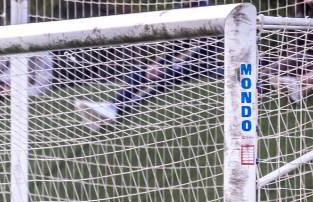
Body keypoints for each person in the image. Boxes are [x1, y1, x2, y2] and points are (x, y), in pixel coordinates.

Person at [74, 0, 219, 131]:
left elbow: (204, 47)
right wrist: (157, 64)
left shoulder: (209, 11)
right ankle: (110, 106)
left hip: (209, 63)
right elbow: (178, 45)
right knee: (142, 71)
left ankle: (117, 108)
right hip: (191, 60)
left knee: (165, 76)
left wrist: (169, 65)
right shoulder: (183, 10)